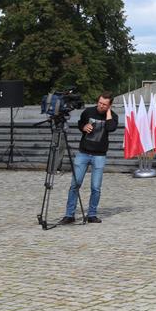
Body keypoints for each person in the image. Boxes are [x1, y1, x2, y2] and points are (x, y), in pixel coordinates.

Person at [61, 92, 119, 224]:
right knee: (75, 184)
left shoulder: (113, 116)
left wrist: (108, 113)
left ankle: (92, 214)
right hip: (83, 153)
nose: (101, 106)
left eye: (104, 104)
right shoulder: (88, 112)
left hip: (99, 155)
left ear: (110, 105)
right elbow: (80, 123)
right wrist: (83, 127)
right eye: (99, 102)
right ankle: (69, 214)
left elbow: (111, 128)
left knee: (96, 187)